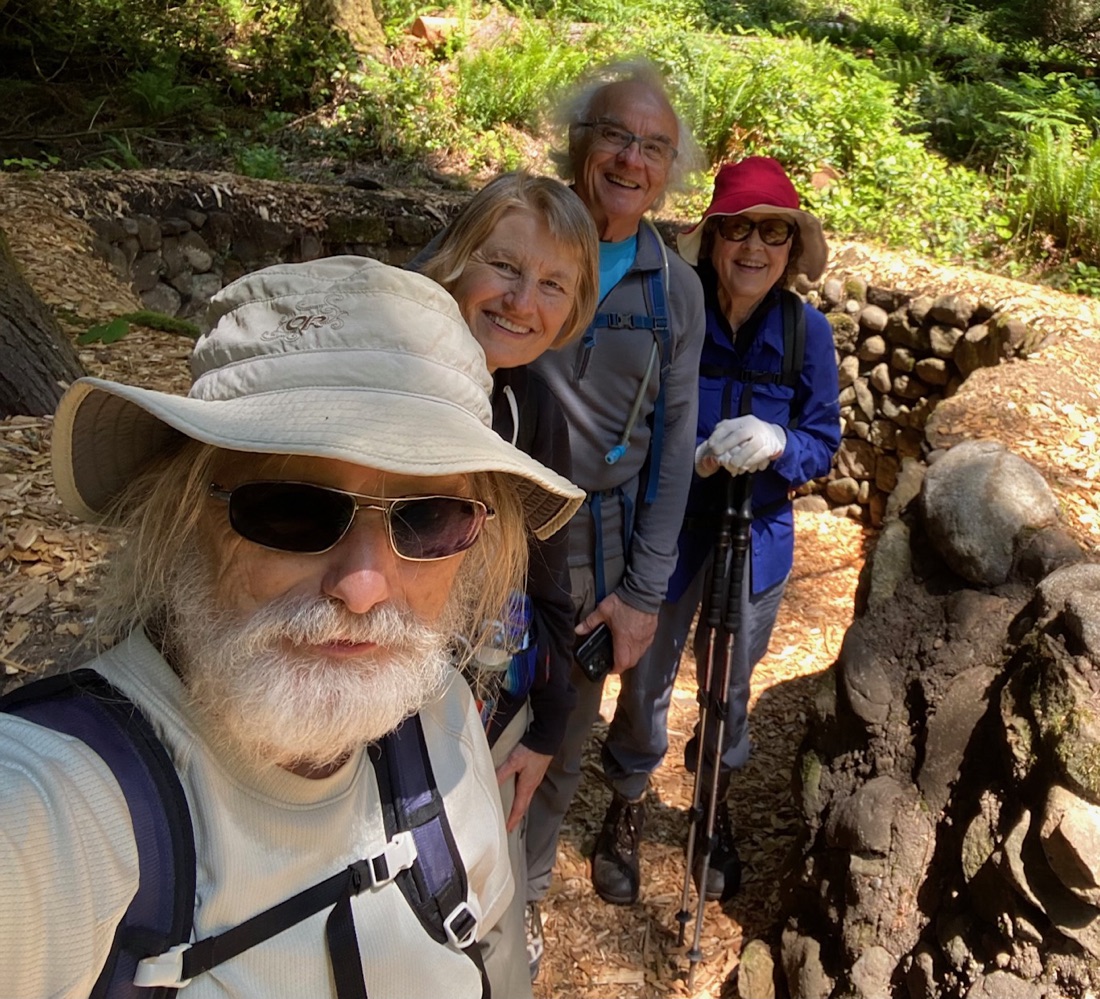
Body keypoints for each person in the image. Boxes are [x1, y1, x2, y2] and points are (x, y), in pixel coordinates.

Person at [0, 256, 585, 998]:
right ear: (184, 519)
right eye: (290, 508)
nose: (364, 588)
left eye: (428, 517)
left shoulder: (439, 722)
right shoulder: (49, 816)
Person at [522, 60, 706, 957]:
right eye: (616, 135)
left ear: (670, 170)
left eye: (654, 146)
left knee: (558, 745)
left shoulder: (677, 292)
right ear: (579, 141)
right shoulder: (518, 226)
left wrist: (642, 593)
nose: (632, 159)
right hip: (478, 523)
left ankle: (518, 897)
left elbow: (675, 446)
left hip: (593, 548)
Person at [418, 170, 599, 998]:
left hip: (483, 713)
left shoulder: (532, 405)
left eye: (554, 283)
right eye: (505, 266)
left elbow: (552, 575)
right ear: (457, 261)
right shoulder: (392, 378)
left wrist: (551, 720)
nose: (525, 300)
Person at [659, 156, 841, 900]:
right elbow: (644, 414)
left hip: (758, 534)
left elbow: (821, 440)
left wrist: (778, 445)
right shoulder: (680, 314)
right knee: (647, 676)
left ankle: (712, 811)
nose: (755, 247)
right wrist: (688, 452)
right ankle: (627, 803)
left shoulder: (808, 334)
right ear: (713, 239)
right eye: (739, 229)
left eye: (774, 232)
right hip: (671, 530)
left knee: (728, 685)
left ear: (792, 248)